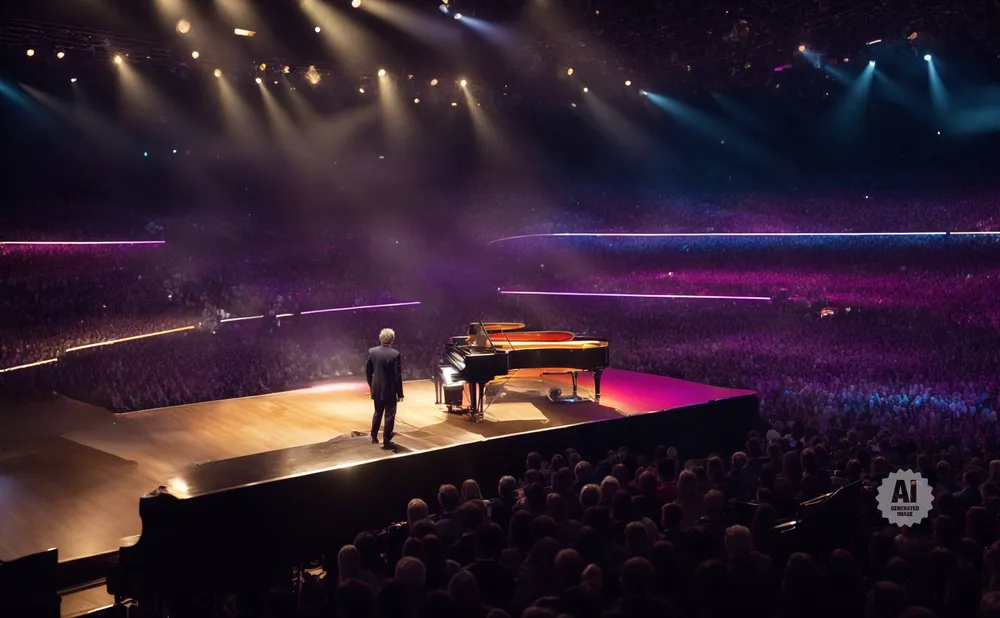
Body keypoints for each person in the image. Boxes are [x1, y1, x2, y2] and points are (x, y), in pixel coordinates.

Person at [366, 327, 403, 451]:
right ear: (392, 340)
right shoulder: (395, 354)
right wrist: (400, 393)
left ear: (380, 339)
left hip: (376, 389)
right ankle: (386, 440)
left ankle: (374, 436)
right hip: (390, 390)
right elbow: (397, 376)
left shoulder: (372, 352)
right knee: (389, 415)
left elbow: (368, 372)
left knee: (377, 412)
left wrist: (372, 386)